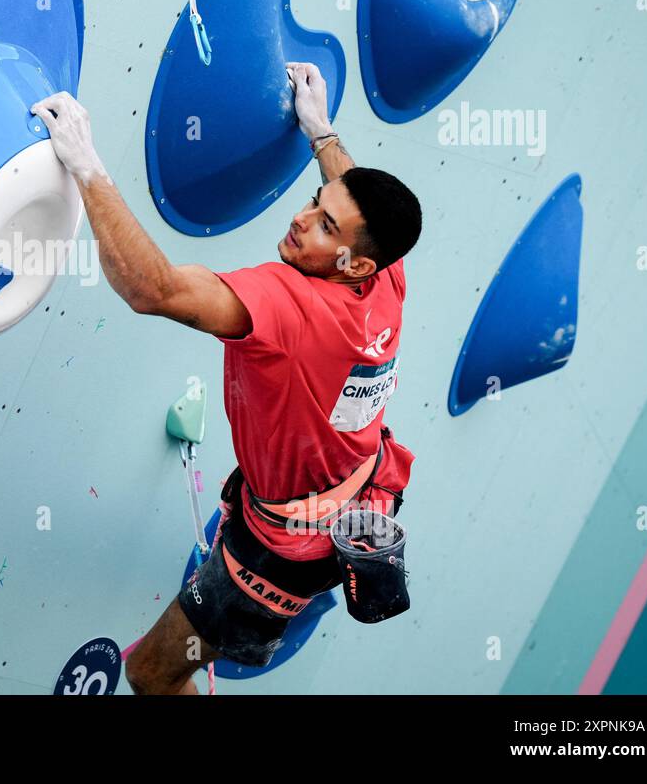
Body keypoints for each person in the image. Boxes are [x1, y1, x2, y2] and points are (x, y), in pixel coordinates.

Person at [31, 62, 422, 695]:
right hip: (357, 496)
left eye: (325, 226)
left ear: (356, 262)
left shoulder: (289, 306)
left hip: (279, 558)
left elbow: (151, 289)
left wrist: (85, 164)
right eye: (314, 206)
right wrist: (320, 133)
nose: (302, 219)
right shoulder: (384, 282)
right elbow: (351, 191)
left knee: (153, 673)